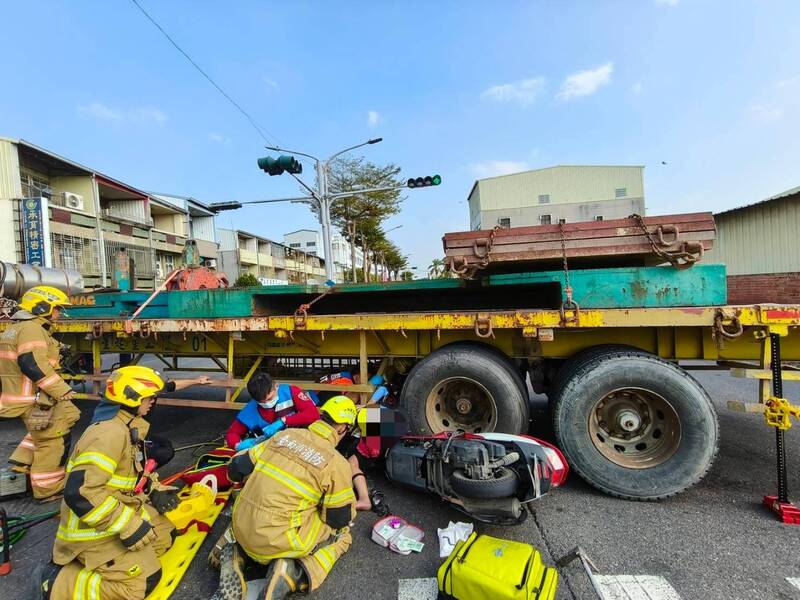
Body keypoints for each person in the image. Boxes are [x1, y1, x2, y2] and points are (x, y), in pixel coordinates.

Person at [32, 365, 191, 600]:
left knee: (166, 535)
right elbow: (80, 494)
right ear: (133, 398)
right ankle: (57, 581)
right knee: (143, 583)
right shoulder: (108, 434)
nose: (153, 402)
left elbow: (133, 472)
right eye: (150, 397)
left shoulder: (128, 426)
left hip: (116, 509)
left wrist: (155, 489)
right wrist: (128, 525)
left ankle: (109, 563)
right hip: (92, 530)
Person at [215, 396, 358, 600]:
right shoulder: (337, 464)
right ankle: (293, 574)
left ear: (321, 416)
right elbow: (337, 519)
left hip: (241, 524)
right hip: (275, 541)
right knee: (342, 535)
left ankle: (234, 549)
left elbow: (236, 469)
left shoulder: (285, 435)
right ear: (342, 428)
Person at [0, 286, 80, 500]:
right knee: (53, 441)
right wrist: (61, 389)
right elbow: (32, 364)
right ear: (42, 306)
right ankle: (48, 489)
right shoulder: (31, 329)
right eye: (56, 308)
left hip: (29, 395)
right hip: (34, 396)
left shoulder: (19, 328)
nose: (58, 314)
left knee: (69, 416)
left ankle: (22, 463)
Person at [225, 372, 320, 450]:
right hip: (270, 448)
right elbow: (232, 433)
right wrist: (237, 445)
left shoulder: (290, 392)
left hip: (298, 440)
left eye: (270, 399)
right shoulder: (249, 411)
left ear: (276, 386)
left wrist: (284, 421)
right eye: (262, 402)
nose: (267, 404)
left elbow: (313, 414)